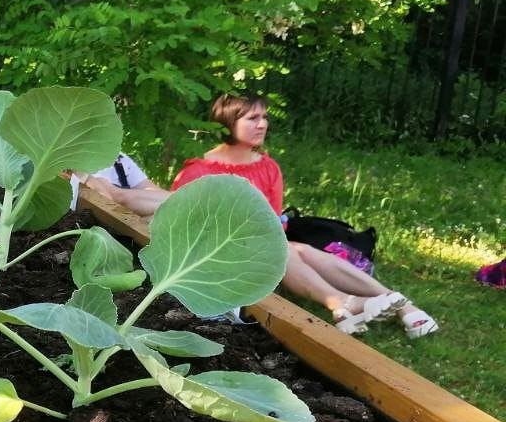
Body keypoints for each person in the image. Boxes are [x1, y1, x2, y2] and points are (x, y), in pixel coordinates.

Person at [170, 93, 438, 338]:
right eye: (253, 118)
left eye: (264, 117)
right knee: (286, 250)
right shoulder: (199, 171)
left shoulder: (268, 167)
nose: (262, 124)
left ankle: (393, 303)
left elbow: (273, 221)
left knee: (299, 250)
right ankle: (342, 303)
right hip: (219, 252)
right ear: (227, 122)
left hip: (265, 243)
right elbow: (183, 225)